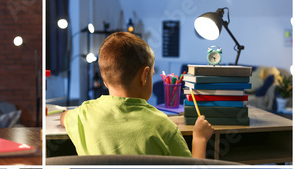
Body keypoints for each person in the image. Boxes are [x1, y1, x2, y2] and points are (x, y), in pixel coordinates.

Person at [61, 32, 213, 157]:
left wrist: (66, 114)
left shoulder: (83, 114)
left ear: (104, 80)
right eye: (152, 74)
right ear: (144, 75)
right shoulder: (163, 126)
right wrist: (199, 139)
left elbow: (64, 117)